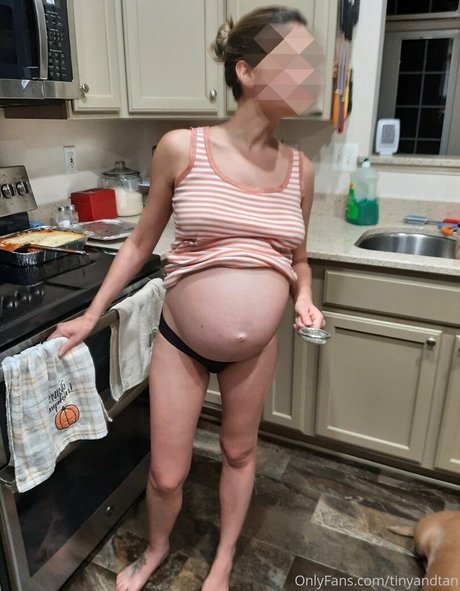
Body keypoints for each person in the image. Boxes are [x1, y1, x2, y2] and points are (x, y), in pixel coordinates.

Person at [49, 6, 325, 590]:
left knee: (239, 454)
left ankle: (222, 561)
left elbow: (299, 260)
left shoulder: (301, 170)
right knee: (168, 475)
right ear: (247, 71)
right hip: (181, 343)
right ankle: (155, 550)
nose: (310, 76)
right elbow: (140, 242)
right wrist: (92, 316)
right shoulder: (181, 148)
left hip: (255, 351)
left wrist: (305, 296)